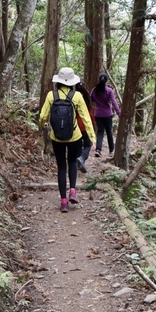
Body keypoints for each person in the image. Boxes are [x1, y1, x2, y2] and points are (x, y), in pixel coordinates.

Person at [39, 67, 95, 212]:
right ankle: (73, 192)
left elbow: (43, 116)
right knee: (72, 163)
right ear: (72, 82)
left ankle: (63, 202)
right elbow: (86, 119)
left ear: (58, 81)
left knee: (61, 167)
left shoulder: (52, 95)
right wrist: (92, 137)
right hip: (75, 137)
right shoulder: (77, 96)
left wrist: (41, 127)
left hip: (56, 137)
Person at [90, 72, 121, 157]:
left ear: (99, 79)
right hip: (108, 114)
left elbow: (91, 98)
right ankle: (111, 150)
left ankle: (98, 150)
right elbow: (114, 102)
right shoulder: (109, 90)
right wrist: (119, 113)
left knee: (100, 132)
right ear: (106, 81)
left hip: (98, 114)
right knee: (109, 132)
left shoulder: (94, 90)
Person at [73, 81, 94, 172]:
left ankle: (79, 162)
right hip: (85, 126)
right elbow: (91, 116)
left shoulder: (73, 99)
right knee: (87, 145)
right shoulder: (87, 101)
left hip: (75, 126)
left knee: (78, 144)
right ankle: (81, 159)